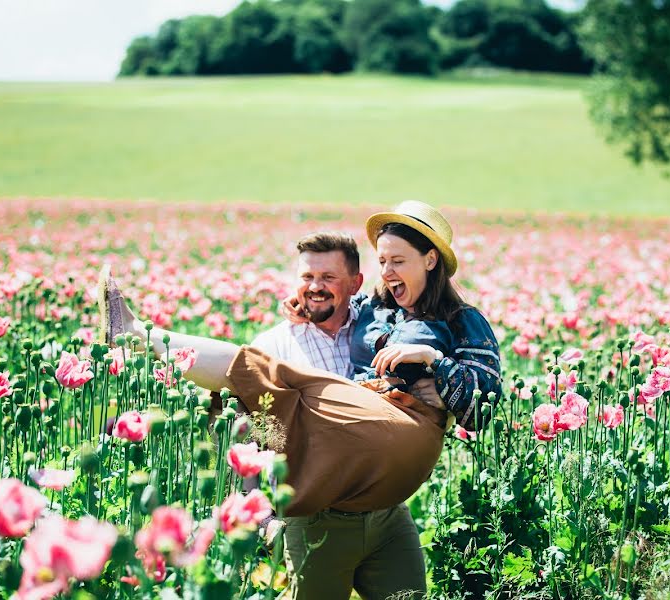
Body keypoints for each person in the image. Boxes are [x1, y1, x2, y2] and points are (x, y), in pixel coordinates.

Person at [100, 201, 502, 596]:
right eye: (382, 261)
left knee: (279, 379)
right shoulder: (374, 309)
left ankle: (138, 336)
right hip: (341, 473)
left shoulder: (461, 321)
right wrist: (306, 302)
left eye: (397, 261)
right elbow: (332, 303)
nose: (387, 271)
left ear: (430, 260)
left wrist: (436, 362)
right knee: (271, 380)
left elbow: (482, 406)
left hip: (391, 492)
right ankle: (138, 337)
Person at [250, 231, 429, 599]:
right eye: (306, 277)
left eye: (328, 278)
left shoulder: (378, 333)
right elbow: (247, 436)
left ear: (355, 284)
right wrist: (263, 518)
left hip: (387, 513)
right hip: (315, 519)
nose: (315, 287)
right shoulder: (273, 348)